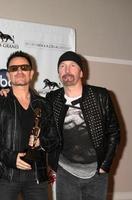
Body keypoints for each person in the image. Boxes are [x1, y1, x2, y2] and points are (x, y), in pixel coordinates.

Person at [0, 51, 57, 200]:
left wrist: (41, 141)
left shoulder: (44, 104)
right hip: (4, 176)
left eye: (24, 67)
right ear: (8, 75)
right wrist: (11, 157)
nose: (19, 71)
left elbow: (54, 138)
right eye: (14, 68)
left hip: (37, 177)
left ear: (31, 73)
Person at [46, 51, 121, 200]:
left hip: (96, 172)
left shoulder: (100, 96)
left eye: (72, 66)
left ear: (81, 73)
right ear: (58, 73)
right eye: (62, 66)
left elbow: (114, 132)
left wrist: (105, 165)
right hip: (65, 171)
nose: (67, 70)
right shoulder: (52, 98)